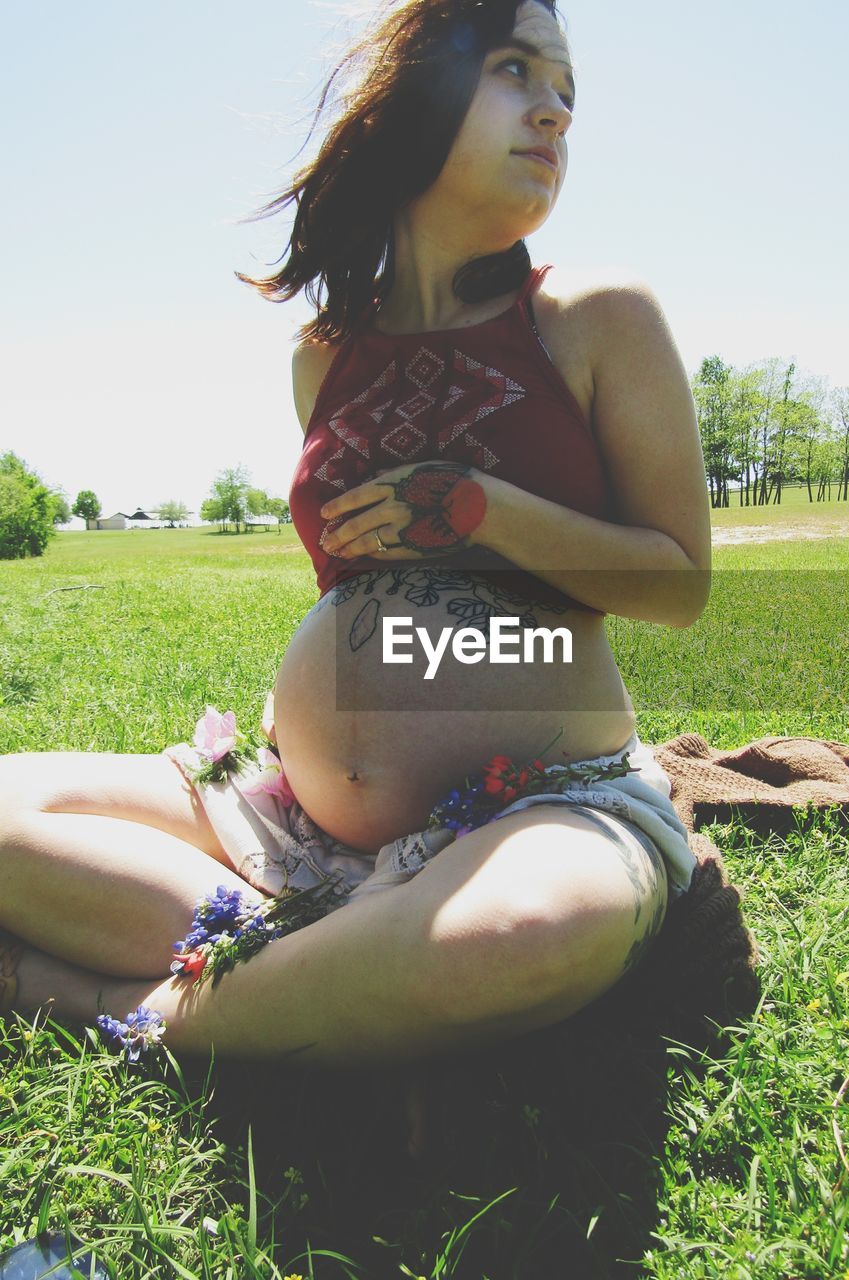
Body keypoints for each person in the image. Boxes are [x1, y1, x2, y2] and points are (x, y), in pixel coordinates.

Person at [0, 0, 709, 1150]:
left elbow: (678, 581)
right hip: (293, 820)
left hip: (549, 805)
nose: (555, 112)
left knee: (523, 931)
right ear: (419, 95)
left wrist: (482, 507)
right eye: (518, 70)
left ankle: (113, 1002)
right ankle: (346, 968)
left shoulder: (594, 316)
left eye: (568, 92)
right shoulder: (320, 357)